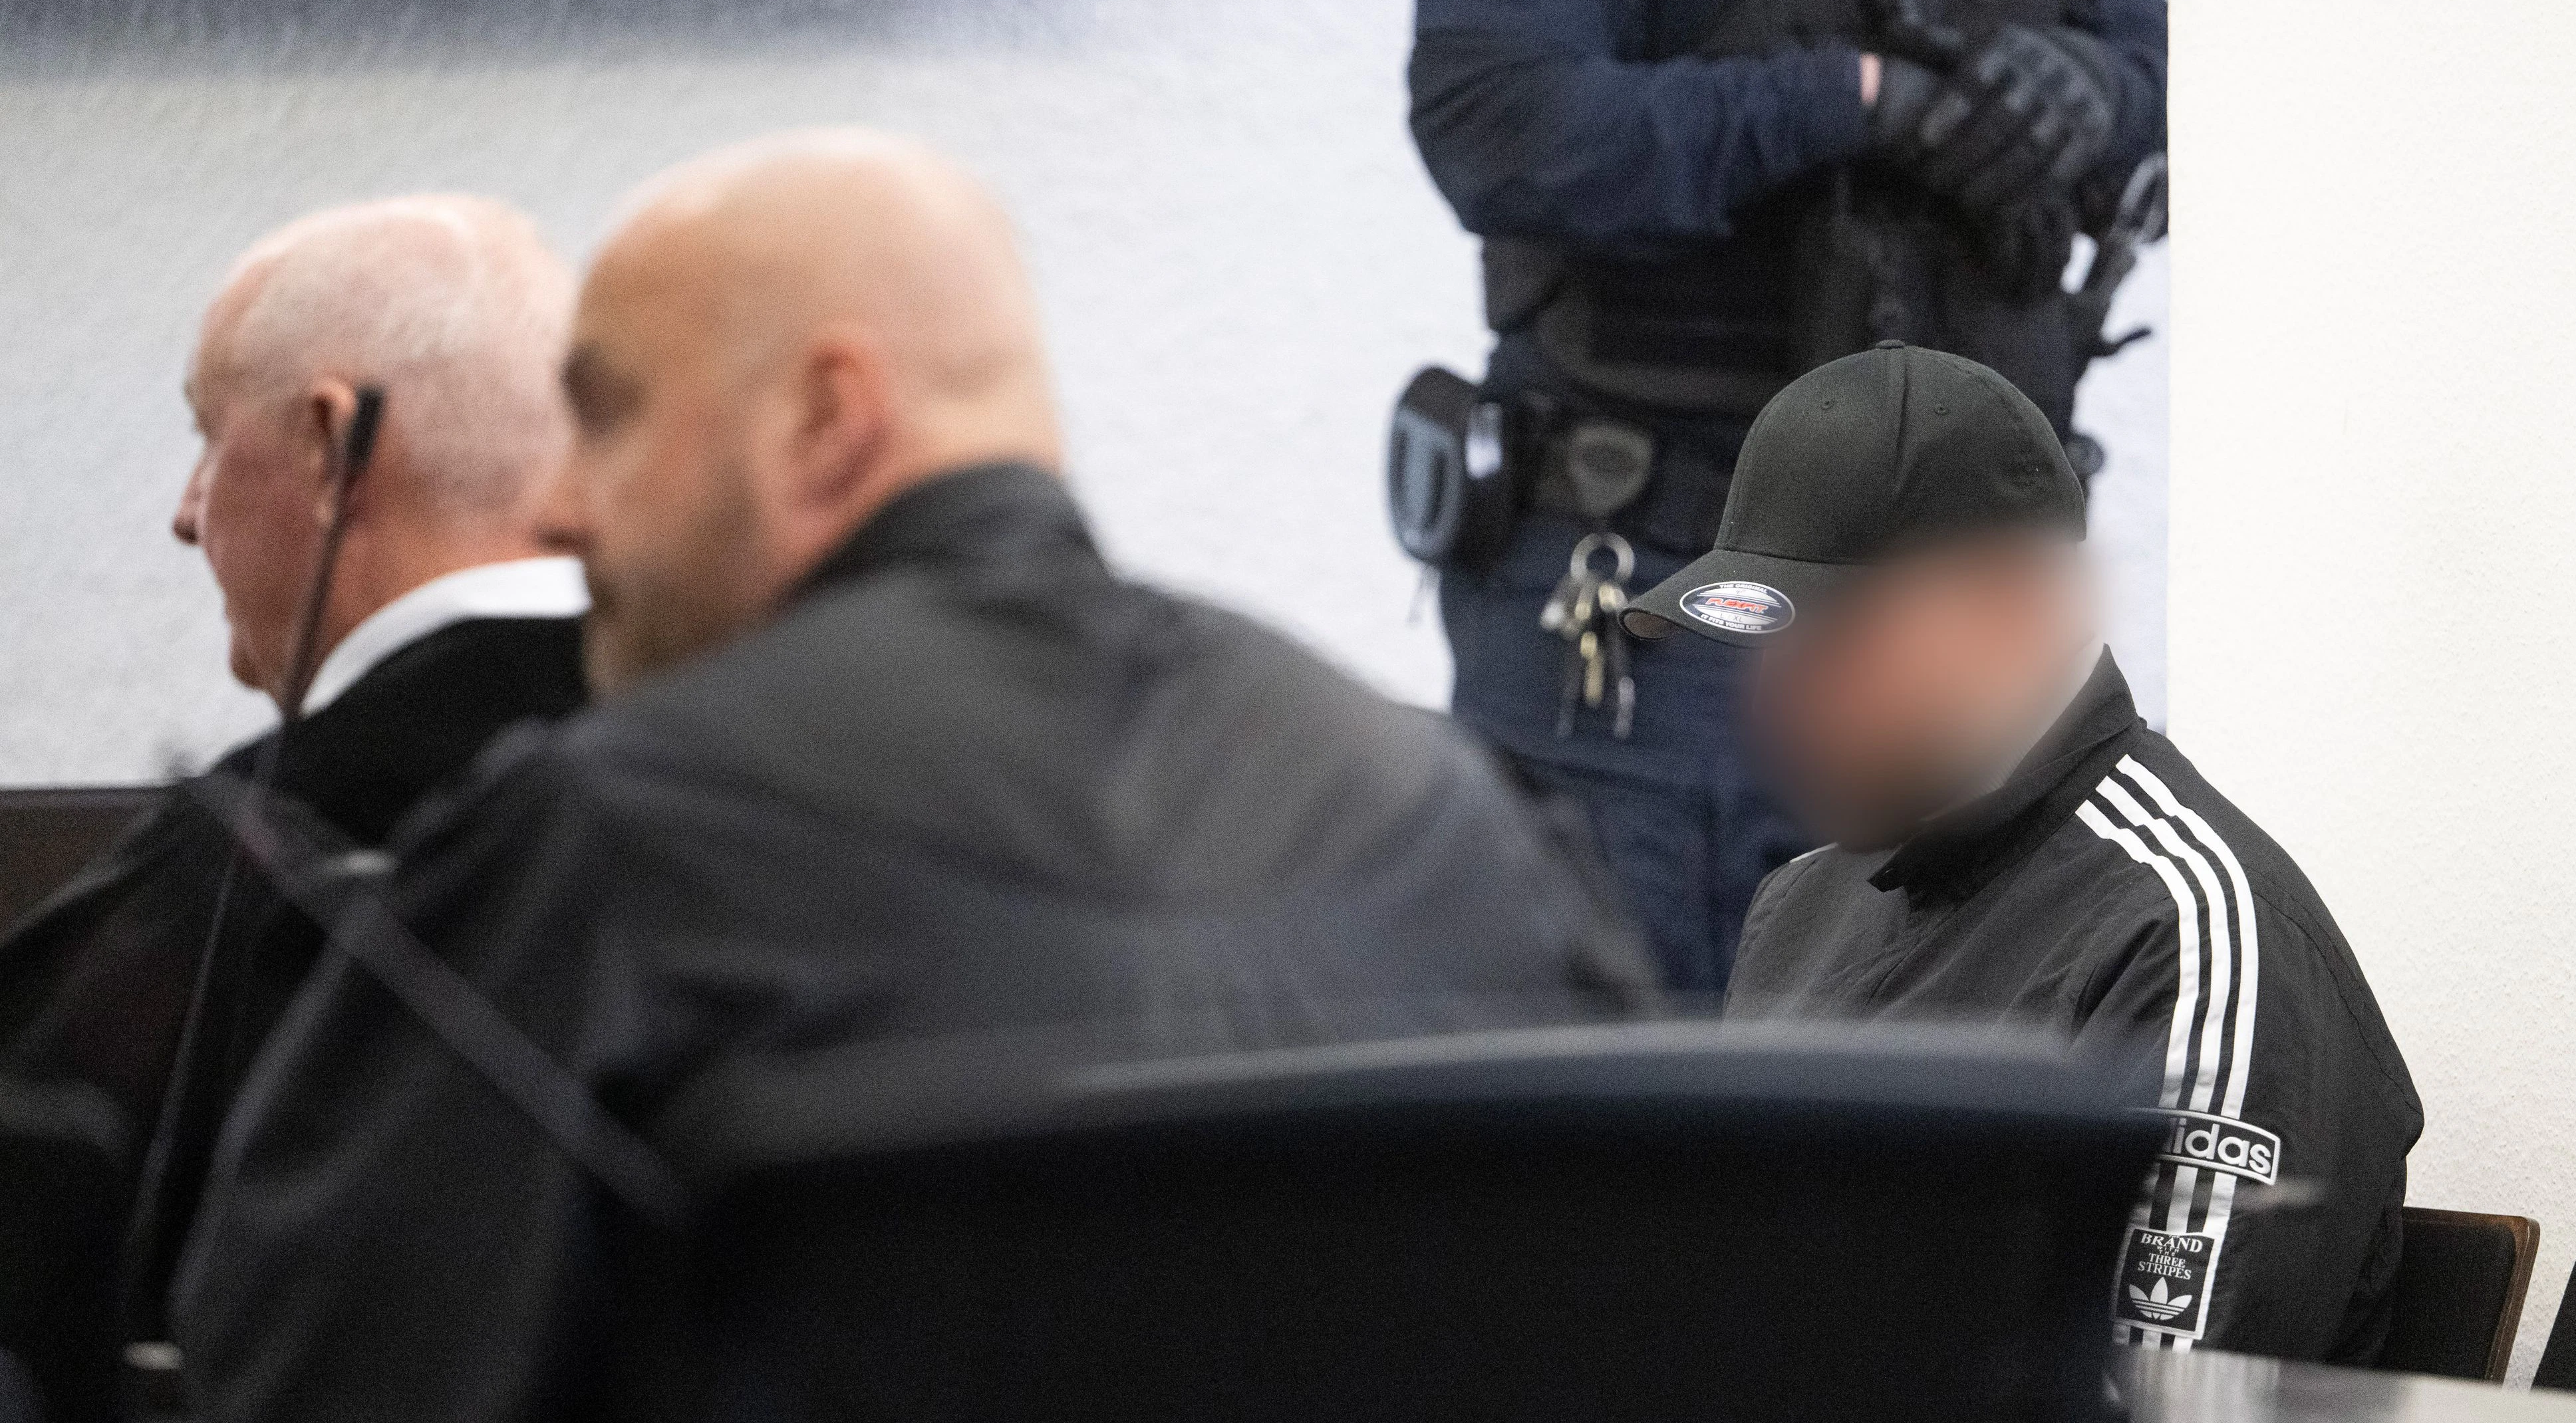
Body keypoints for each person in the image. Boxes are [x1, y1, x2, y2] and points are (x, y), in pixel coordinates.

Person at [172, 130, 1655, 1422]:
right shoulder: (1465, 825)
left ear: (827, 414)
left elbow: (306, 1377)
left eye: (607, 412)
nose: (559, 505)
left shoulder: (609, 841)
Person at [1619, 341, 2420, 1361]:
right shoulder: (1798, 906)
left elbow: (2155, 1396)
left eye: (1840, 637)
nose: (1785, 693)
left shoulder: (2188, 932)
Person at [1403, 0, 2167, 994]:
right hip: (1660, 617)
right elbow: (1498, 122)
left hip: (1969, 625)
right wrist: (1848, 103)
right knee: (1638, 1135)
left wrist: (2096, 91)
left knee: (1956, 1127)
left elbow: (2187, 83)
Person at [0, 195, 591, 1414]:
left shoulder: (256, 866)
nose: (185, 510)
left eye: (210, 438)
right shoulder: (792, 786)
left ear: (332, 445)